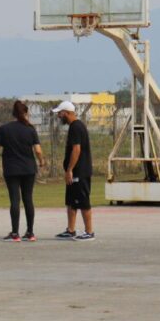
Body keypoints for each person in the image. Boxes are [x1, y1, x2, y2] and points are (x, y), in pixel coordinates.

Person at [0, 100, 46, 242]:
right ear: (26, 113)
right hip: (28, 168)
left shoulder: (4, 128)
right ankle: (30, 232)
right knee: (28, 199)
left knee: (15, 200)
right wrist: (41, 162)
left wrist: (6, 145)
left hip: (11, 168)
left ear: (13, 114)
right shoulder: (30, 129)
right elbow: (38, 150)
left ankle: (15, 233)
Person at [52, 101, 95, 241]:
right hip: (74, 172)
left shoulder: (76, 127)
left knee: (83, 201)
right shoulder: (74, 126)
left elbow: (77, 149)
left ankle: (89, 231)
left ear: (67, 113)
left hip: (79, 171)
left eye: (60, 113)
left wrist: (70, 169)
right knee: (71, 201)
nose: (59, 116)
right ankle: (70, 230)